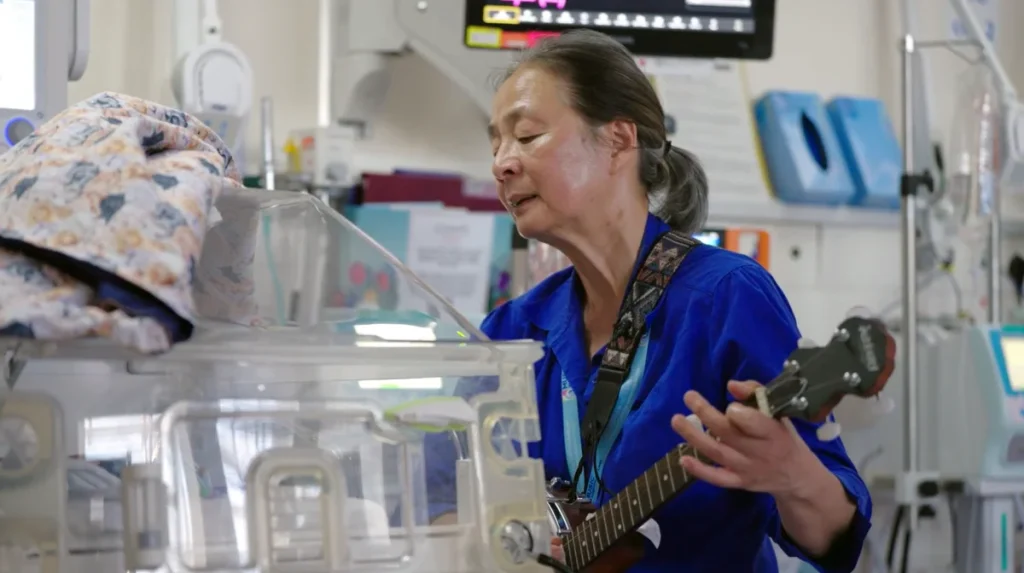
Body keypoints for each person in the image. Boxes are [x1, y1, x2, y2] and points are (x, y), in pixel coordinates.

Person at [424, 29, 871, 572]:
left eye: (526, 136)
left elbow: (834, 540)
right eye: (495, 143)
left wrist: (794, 475)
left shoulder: (725, 298)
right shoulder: (512, 331)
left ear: (617, 140)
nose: (502, 163)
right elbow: (437, 500)